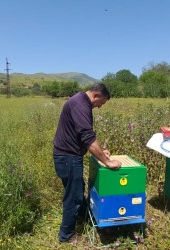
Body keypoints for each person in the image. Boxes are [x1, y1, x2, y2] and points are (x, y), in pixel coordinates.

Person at [53, 83, 122, 243]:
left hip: (67, 156)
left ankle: (83, 217)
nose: (99, 107)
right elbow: (87, 136)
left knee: (78, 190)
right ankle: (67, 235)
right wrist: (107, 161)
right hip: (68, 158)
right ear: (96, 95)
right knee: (74, 196)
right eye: (101, 103)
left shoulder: (80, 101)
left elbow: (81, 135)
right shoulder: (80, 104)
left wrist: (100, 152)